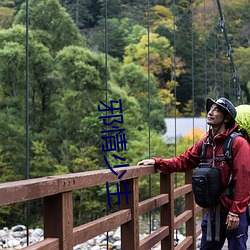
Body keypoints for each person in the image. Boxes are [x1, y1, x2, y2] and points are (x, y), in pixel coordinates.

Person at [137, 97, 250, 250]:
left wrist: (236, 212)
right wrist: (157, 162)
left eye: (216, 110)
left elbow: (244, 178)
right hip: (213, 211)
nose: (210, 112)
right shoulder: (205, 143)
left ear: (227, 118)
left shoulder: (238, 143)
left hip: (233, 211)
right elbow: (184, 161)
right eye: (210, 109)